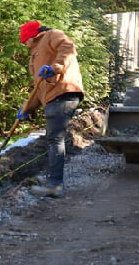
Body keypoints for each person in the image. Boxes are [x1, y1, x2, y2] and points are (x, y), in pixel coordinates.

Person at [18, 21, 85, 198]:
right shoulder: (36, 54)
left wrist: (57, 68)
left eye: (25, 41)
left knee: (55, 139)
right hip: (53, 96)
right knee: (53, 138)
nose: (25, 45)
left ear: (31, 37)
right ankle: (51, 178)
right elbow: (39, 90)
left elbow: (68, 47)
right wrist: (27, 108)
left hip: (64, 92)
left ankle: (55, 185)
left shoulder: (51, 35)